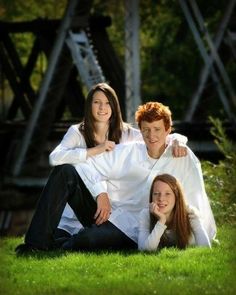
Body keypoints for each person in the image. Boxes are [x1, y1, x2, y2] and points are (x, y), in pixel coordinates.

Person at [15, 101, 216, 254]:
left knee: (87, 240)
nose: (151, 136)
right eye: (146, 130)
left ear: (168, 130)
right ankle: (36, 245)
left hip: (140, 228)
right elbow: (85, 163)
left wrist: (197, 234)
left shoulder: (181, 155)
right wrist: (100, 192)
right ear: (140, 130)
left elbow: (196, 195)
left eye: (157, 130)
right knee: (66, 170)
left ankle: (60, 243)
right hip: (113, 215)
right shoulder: (128, 152)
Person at [50, 82, 187, 239]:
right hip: (80, 204)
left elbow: (155, 136)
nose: (102, 108)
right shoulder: (77, 132)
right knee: (58, 237)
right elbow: (55, 157)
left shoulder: (127, 133)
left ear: (114, 106)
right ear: (89, 106)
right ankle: (41, 242)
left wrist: (178, 140)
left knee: (84, 239)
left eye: (108, 103)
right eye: (97, 102)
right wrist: (94, 150)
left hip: (112, 209)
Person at [138, 174, 211, 251]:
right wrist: (161, 221)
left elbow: (205, 248)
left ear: (177, 196)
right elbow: (145, 250)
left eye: (167, 194)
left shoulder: (190, 213)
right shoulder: (146, 215)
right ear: (151, 196)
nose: (161, 198)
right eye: (156, 193)